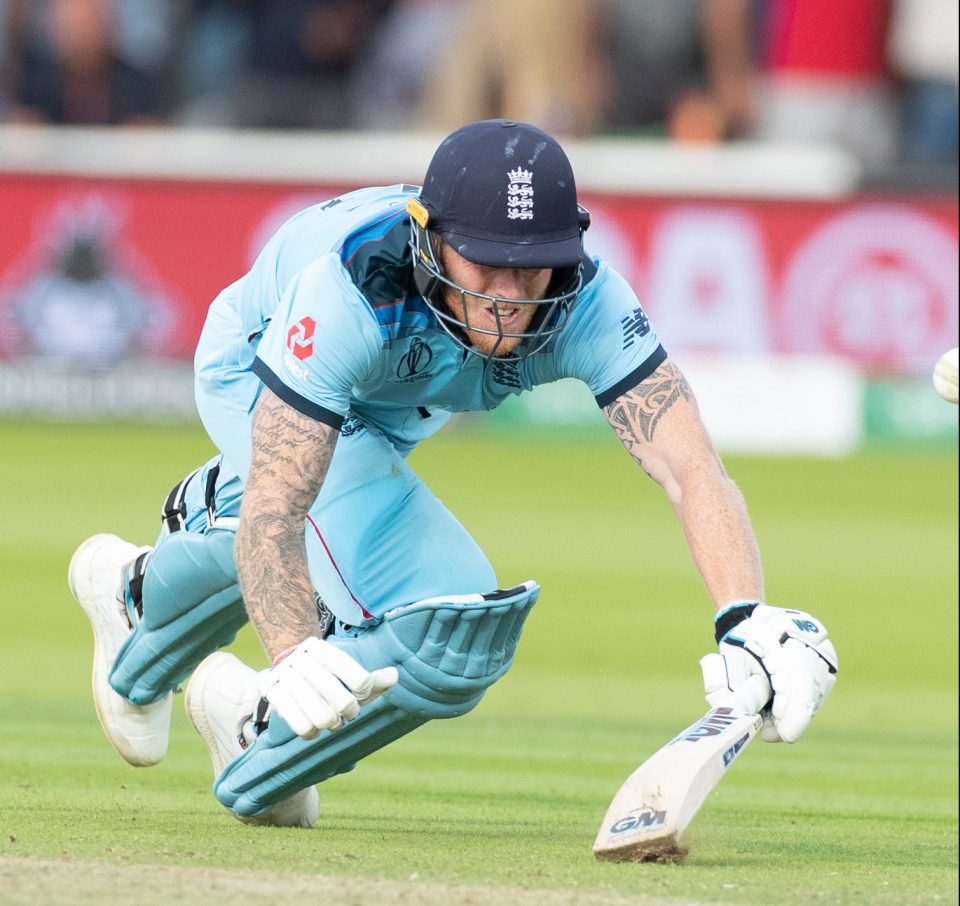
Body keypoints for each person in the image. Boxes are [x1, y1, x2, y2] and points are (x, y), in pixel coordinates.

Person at [68, 119, 838, 827]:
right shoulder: (349, 292)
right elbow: (277, 506)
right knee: (448, 624)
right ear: (427, 241)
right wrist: (295, 656)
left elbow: (691, 467)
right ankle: (254, 719)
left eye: (532, 269)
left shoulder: (586, 301)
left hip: (400, 401)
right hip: (259, 368)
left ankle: (138, 597)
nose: (506, 299)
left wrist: (746, 614)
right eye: (487, 263)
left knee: (347, 549)